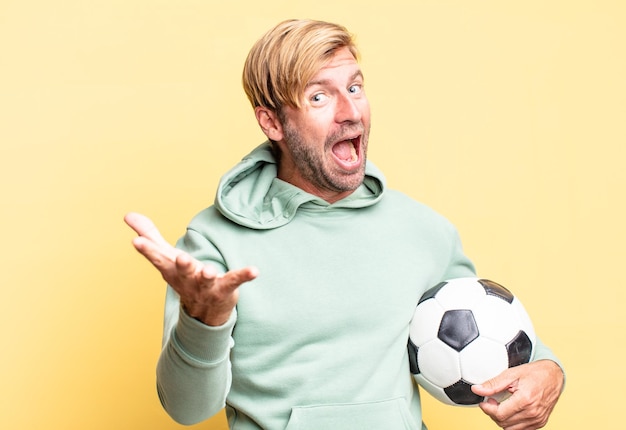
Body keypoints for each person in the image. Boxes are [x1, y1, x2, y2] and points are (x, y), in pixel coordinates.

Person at [125, 19, 564, 430]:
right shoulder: (215, 243)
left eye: (354, 87)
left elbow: (490, 328)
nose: (349, 111)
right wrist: (205, 320)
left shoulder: (423, 230)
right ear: (272, 121)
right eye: (319, 96)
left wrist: (548, 369)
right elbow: (187, 409)